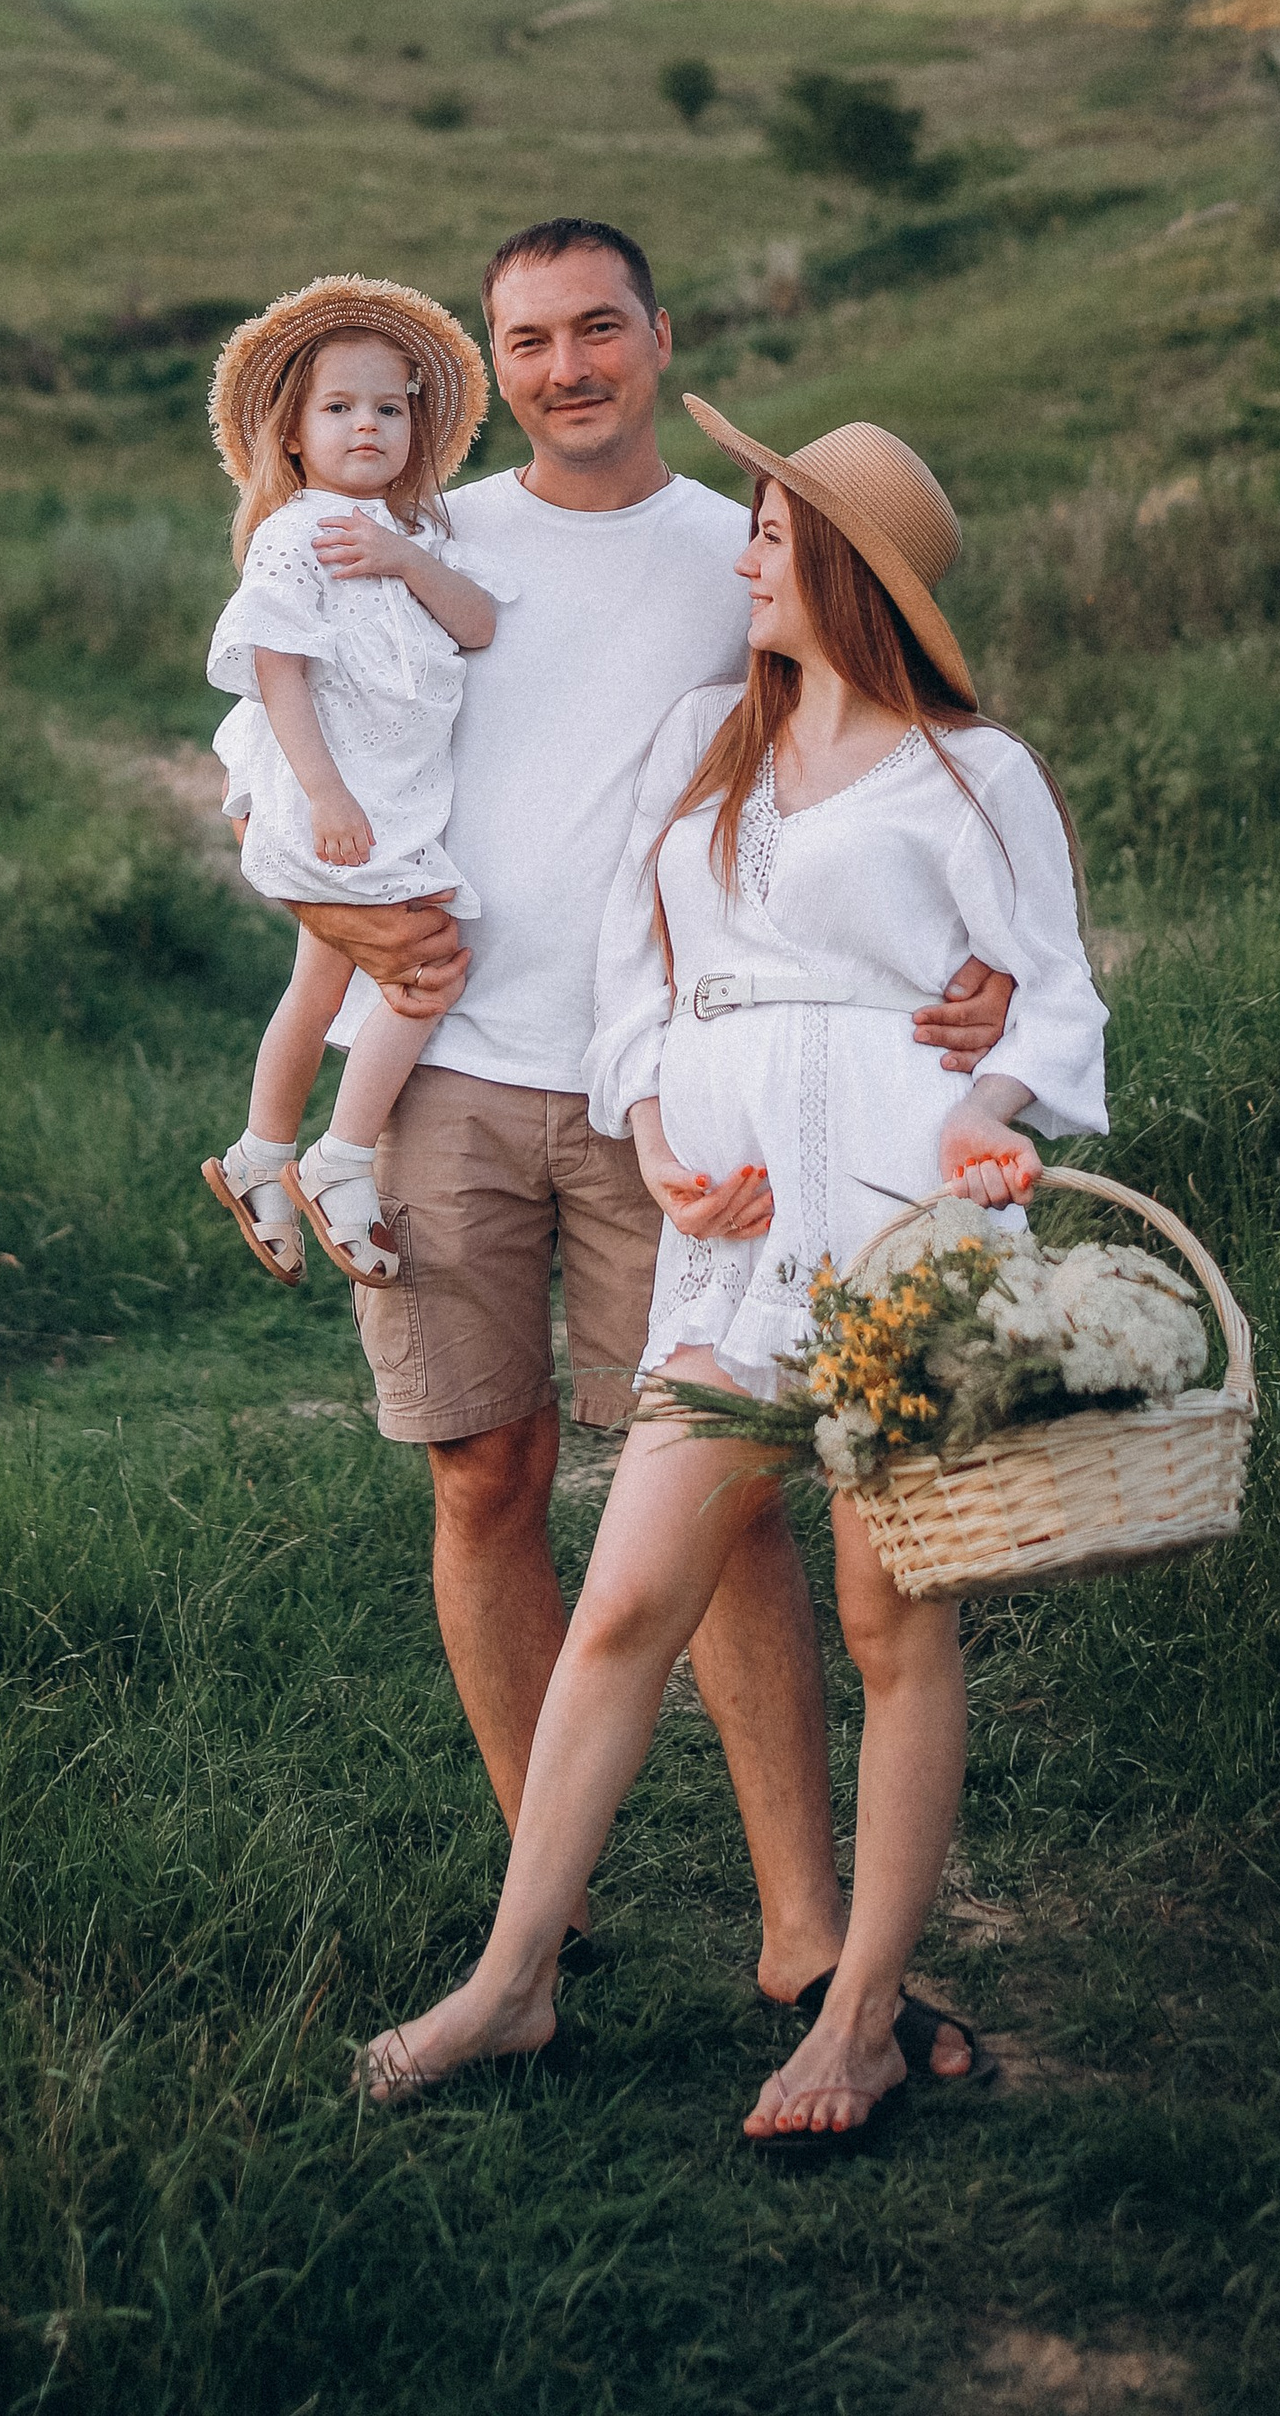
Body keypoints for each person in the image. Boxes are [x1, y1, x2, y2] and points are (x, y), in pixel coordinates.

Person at [282, 218, 1015, 2006]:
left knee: (731, 1487)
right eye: (526, 341)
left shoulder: (736, 555)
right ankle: (552, 1910)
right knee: (484, 1472)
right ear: (493, 364)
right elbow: (298, 753)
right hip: (438, 1061)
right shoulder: (424, 541)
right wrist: (315, 919)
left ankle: (798, 1927)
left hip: (677, 1098)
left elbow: (883, 747)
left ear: (660, 340)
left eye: (596, 328)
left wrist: (975, 960)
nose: (565, 367)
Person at [358, 402, 1108, 2137]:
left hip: (905, 1222)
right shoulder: (711, 738)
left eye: (771, 537)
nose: (744, 557)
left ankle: (847, 2018)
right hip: (730, 1237)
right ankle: (512, 1981)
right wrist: (654, 1123)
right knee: (626, 1601)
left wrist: (992, 1112)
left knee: (889, 1622)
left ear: (843, 569)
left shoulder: (971, 771)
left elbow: (1051, 992)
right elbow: (638, 966)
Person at [198, 279, 503, 1287]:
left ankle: (261, 1154)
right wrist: (325, 796)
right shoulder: (297, 534)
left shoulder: (416, 536)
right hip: (344, 814)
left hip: (390, 807)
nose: (364, 425)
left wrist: (400, 559)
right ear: (292, 434)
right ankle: (343, 1156)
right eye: (337, 408)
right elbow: (277, 672)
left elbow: (478, 623)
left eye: (386, 405)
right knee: (427, 973)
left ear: (415, 421)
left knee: (320, 979)